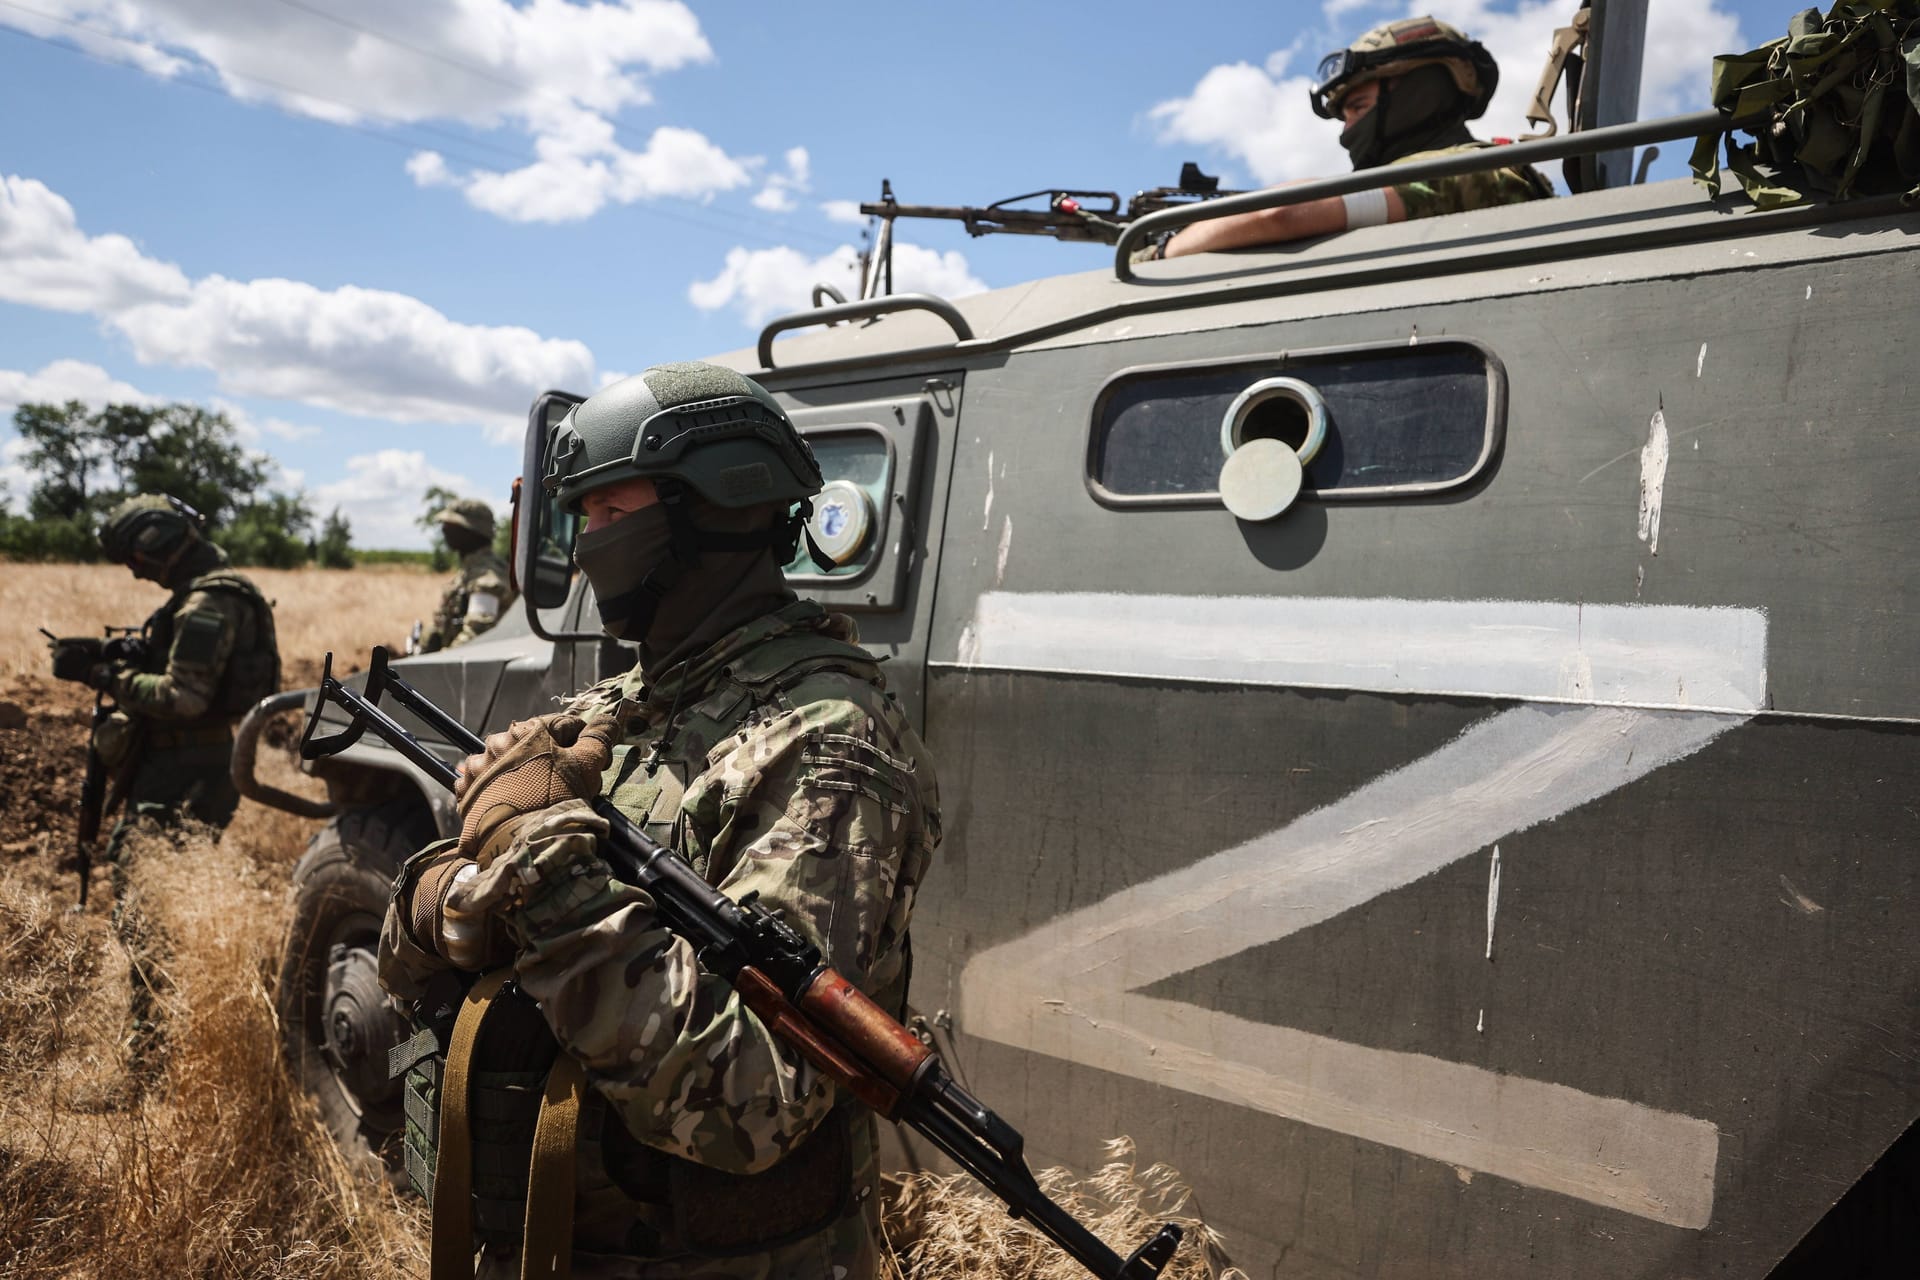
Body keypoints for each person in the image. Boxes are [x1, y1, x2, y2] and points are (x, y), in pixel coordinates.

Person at [378, 362, 940, 1279]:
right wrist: (456, 893)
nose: (590, 542)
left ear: (712, 512)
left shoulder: (826, 742)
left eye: (610, 513)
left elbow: (753, 1099)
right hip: (558, 1233)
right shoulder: (634, 701)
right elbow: (417, 940)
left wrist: (535, 861)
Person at [51, 493, 280, 1080]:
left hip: (183, 774)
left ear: (158, 542)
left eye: (137, 559)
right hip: (194, 768)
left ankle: (148, 1059)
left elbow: (184, 697)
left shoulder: (208, 603)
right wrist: (120, 653)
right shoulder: (211, 596)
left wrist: (106, 675)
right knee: (166, 905)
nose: (136, 571)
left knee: (146, 912)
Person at [1143, 16, 1553, 261]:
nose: (1346, 132)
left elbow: (1278, 214)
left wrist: (1164, 249)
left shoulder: (1480, 171)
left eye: (1357, 107)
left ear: (1417, 93)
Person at [423, 498, 515, 651]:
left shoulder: (487, 578)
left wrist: (434, 663)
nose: (444, 529)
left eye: (452, 525)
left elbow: (476, 636)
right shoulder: (470, 571)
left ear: (472, 531)